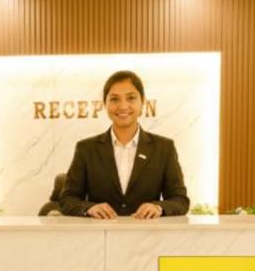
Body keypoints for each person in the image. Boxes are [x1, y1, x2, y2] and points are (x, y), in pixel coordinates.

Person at [58, 70, 190, 219]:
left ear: (142, 102)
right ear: (105, 104)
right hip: (100, 233)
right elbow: (67, 199)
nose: (123, 106)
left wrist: (158, 207)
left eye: (131, 98)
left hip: (147, 232)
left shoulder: (164, 148)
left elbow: (180, 200)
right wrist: (89, 208)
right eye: (114, 99)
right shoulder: (86, 149)